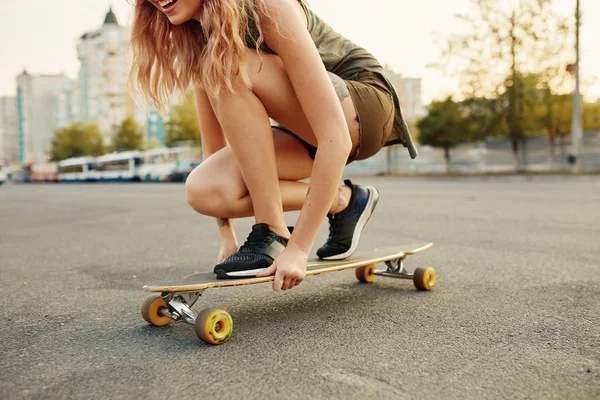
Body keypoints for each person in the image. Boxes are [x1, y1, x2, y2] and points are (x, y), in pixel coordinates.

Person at [129, 0, 417, 291]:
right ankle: (344, 201)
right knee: (205, 189)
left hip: (361, 108)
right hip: (305, 129)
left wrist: (299, 249)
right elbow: (214, 146)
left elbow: (336, 137)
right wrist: (226, 235)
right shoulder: (203, 39)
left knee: (229, 65)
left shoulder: (266, 5)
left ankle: (272, 231)